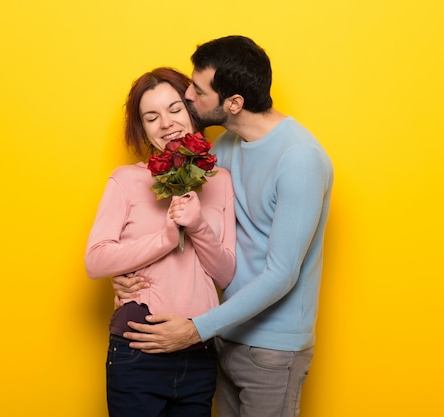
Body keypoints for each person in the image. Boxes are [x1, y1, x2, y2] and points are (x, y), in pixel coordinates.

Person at [113, 36, 334, 417]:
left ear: (233, 103)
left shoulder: (301, 160)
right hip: (223, 336)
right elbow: (187, 225)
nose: (188, 95)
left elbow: (281, 274)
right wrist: (126, 274)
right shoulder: (223, 149)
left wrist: (197, 328)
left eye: (198, 91)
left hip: (271, 350)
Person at [85, 67, 236, 417]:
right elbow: (96, 260)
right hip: (138, 351)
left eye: (174, 109)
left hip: (198, 351)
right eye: (151, 117)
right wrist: (166, 238)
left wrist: (197, 225)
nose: (166, 123)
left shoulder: (221, 181)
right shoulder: (125, 180)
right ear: (142, 128)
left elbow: (226, 274)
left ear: (192, 109)